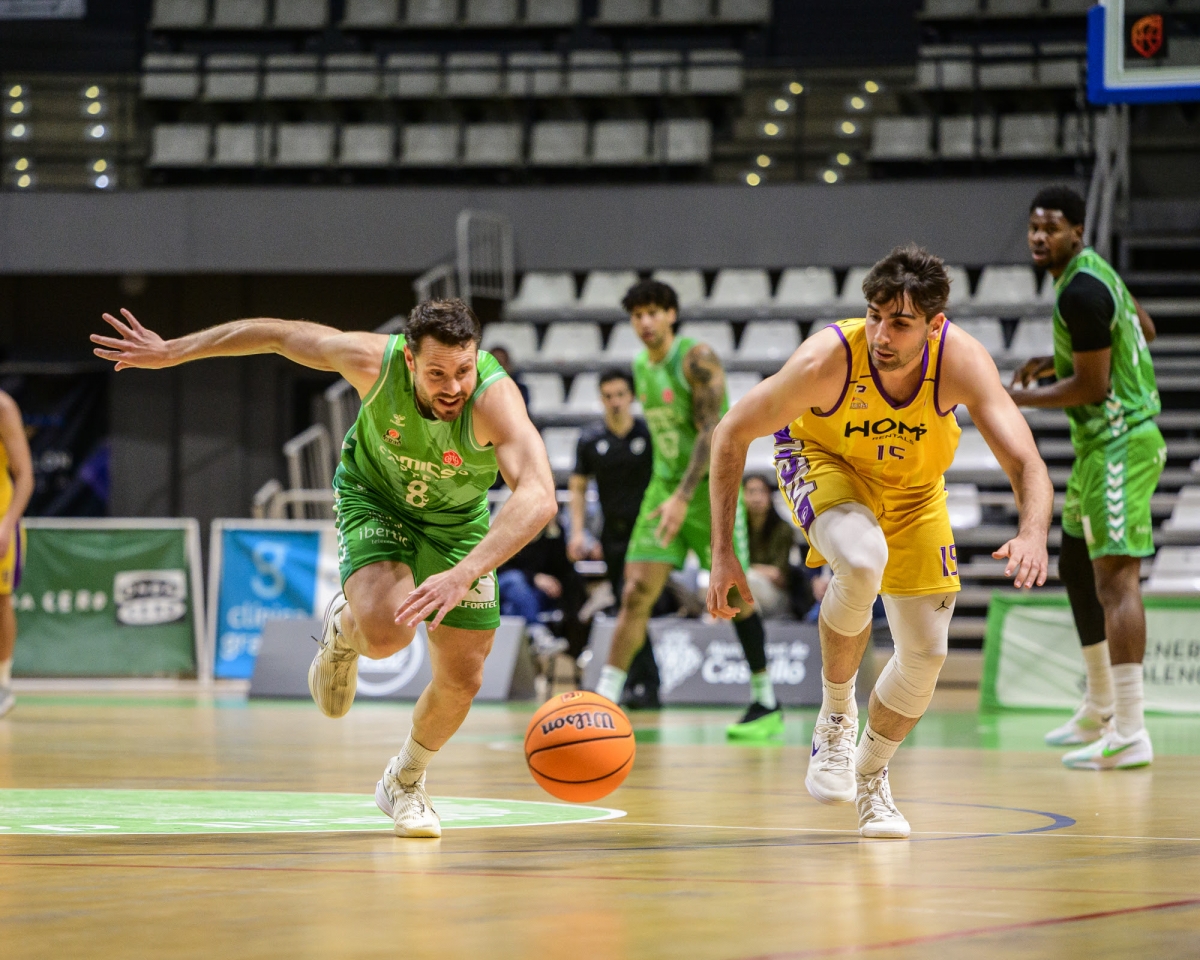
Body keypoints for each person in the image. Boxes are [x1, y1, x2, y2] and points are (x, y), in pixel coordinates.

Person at [91, 299, 557, 837]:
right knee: (386, 634)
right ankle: (345, 629)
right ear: (409, 361)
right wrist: (174, 351)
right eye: (437, 374)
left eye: (463, 370)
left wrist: (464, 571)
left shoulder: (494, 400)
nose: (453, 387)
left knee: (464, 678)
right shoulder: (370, 361)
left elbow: (540, 495)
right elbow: (277, 334)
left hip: (457, 524)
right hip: (377, 500)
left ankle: (404, 780)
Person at [707, 245, 1053, 838]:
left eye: (900, 323)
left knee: (926, 655)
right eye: (874, 316)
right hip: (826, 462)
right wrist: (723, 553)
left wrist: (1033, 532)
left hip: (916, 491)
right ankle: (836, 718)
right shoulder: (825, 360)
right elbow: (731, 431)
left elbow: (1027, 463)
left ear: (934, 326)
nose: (882, 335)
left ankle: (871, 776)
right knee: (863, 560)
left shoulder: (962, 361)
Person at [1010, 186, 1163, 770]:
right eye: (1033, 227)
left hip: (1122, 442)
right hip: (1100, 446)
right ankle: (1099, 704)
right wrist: (1057, 363)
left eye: (1051, 228)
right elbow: (1143, 329)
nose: (1038, 237)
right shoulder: (1094, 272)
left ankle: (1130, 729)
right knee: (1075, 565)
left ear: (1077, 231)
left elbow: (1093, 388)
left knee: (1116, 581)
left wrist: (1013, 398)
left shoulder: (1080, 290)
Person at [592, 280, 781, 740]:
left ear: (671, 315)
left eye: (653, 312)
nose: (645, 322)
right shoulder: (641, 366)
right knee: (635, 591)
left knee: (733, 598)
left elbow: (711, 431)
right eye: (637, 315)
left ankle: (766, 702)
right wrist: (669, 494)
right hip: (664, 490)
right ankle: (603, 702)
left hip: (710, 491)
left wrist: (682, 497)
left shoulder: (696, 358)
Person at [567, 369, 662, 705]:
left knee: (631, 600)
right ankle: (644, 684)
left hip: (646, 533)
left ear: (631, 396)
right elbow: (578, 488)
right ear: (601, 399)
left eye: (620, 395)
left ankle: (642, 682)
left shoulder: (648, 434)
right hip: (612, 535)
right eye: (608, 396)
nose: (615, 402)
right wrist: (577, 532)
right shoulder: (590, 440)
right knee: (628, 603)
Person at [0, 391, 33, 719]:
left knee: (0, 600)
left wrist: (7, 524)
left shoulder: (3, 407)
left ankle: (2, 683)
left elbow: (25, 475)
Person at [742, 474, 794, 619]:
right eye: (751, 492)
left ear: (770, 496)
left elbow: (778, 575)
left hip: (776, 594)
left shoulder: (782, 529)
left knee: (746, 579)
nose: (756, 498)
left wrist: (745, 570)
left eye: (762, 491)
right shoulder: (737, 529)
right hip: (747, 591)